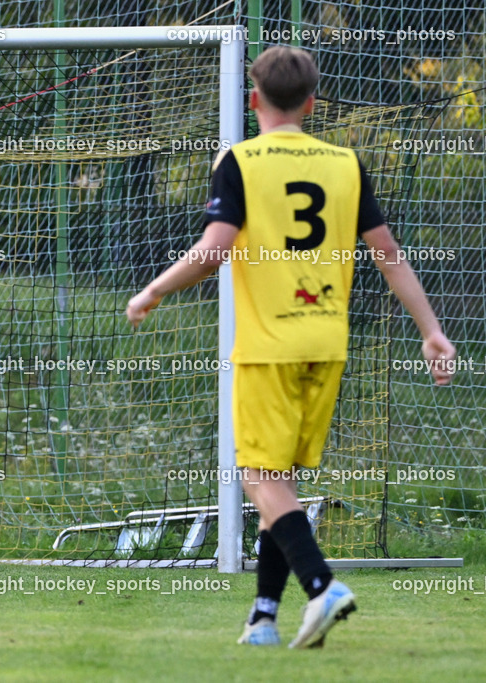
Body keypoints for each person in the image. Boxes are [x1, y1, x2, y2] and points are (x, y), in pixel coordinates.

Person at [125, 46, 455, 648]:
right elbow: (388, 254)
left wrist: (153, 289)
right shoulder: (345, 164)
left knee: (258, 476)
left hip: (269, 345)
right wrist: (432, 330)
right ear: (311, 101)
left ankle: (322, 584)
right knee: (282, 485)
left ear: (254, 99)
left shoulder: (241, 161)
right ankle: (264, 619)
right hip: (328, 343)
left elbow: (213, 249)